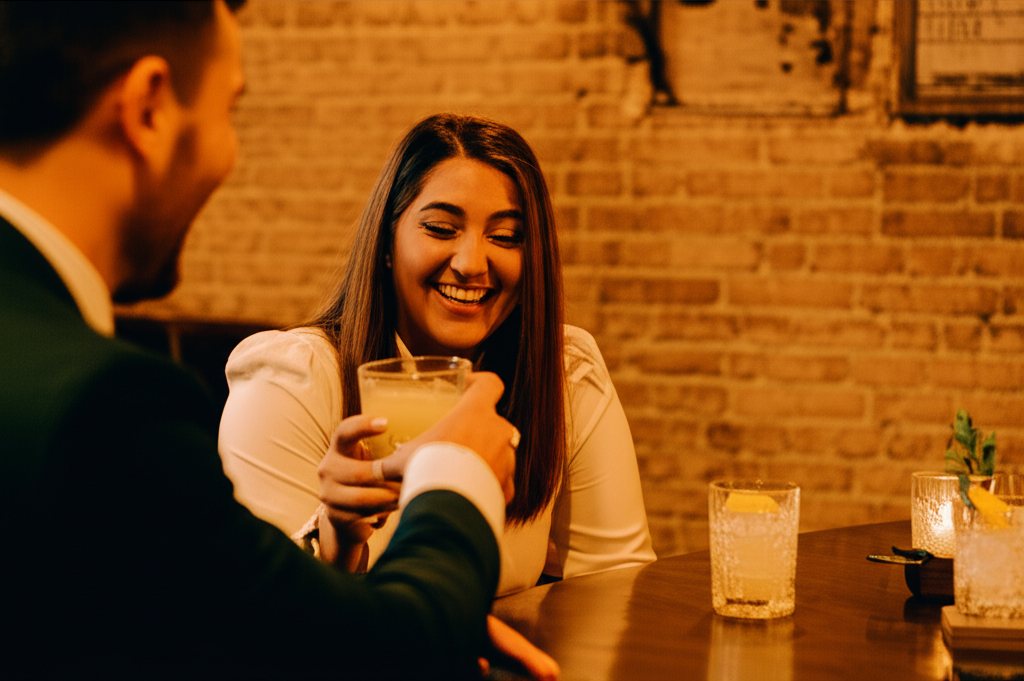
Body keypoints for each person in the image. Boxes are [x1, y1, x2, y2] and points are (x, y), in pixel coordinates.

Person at [0, 3, 549, 679]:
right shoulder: (107, 406)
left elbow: (217, 626)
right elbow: (387, 661)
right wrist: (458, 471)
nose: (231, 154)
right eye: (231, 110)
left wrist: (339, 561)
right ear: (148, 108)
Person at [219, 113, 657, 595]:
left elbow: (618, 585)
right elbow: (257, 616)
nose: (472, 263)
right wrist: (336, 542)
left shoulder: (564, 372)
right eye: (442, 229)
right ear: (388, 243)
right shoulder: (293, 379)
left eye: (506, 237)